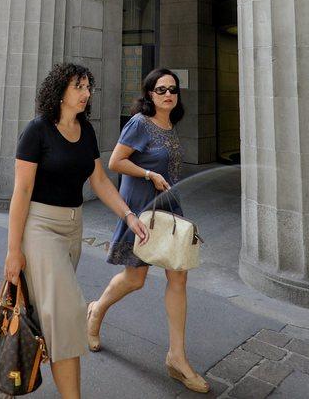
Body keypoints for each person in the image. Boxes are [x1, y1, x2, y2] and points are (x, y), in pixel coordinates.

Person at [4, 63, 148, 399]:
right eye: (79, 87)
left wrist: (128, 215)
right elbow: (21, 192)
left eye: (88, 87)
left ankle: (15, 364)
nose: (86, 94)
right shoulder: (37, 131)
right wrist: (13, 250)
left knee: (48, 312)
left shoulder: (86, 129)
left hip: (73, 228)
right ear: (60, 91)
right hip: (39, 227)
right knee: (68, 315)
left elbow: (98, 180)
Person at [87, 68, 209, 394]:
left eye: (172, 89)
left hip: (168, 208)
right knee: (135, 279)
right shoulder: (140, 123)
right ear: (149, 94)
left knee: (179, 276)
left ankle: (177, 358)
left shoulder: (170, 126)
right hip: (141, 209)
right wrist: (147, 174)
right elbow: (114, 161)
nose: (168, 94)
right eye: (160, 90)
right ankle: (96, 310)